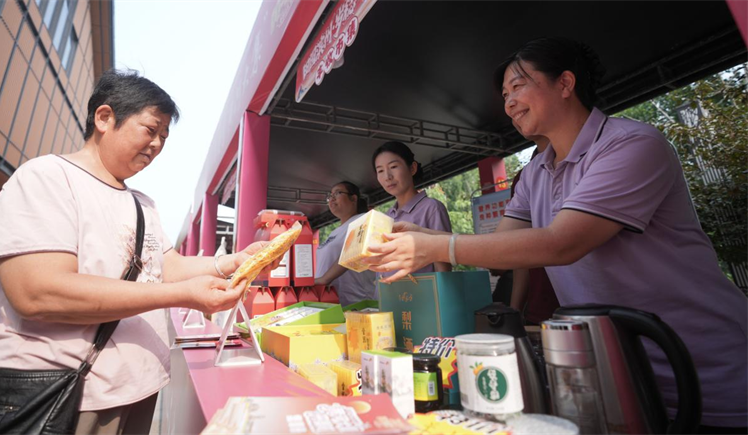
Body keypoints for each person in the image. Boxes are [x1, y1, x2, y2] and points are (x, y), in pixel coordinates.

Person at [365, 38, 748, 432]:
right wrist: (426, 237)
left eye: (518, 86)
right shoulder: (535, 173)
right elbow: (501, 253)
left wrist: (437, 245)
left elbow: (563, 242)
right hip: (615, 377)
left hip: (705, 373)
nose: (509, 103)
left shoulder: (630, 144)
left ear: (565, 83)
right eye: (504, 95)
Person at [0, 70, 274, 435]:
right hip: (62, 394)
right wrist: (182, 295)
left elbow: (166, 266)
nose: (157, 145)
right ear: (104, 118)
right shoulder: (46, 177)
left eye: (164, 136)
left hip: (138, 388)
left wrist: (234, 261)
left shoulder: (141, 203)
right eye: (151, 129)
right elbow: (36, 292)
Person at [372, 141, 452, 278]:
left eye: (393, 166)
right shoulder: (386, 217)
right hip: (389, 290)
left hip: (423, 291)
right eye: (380, 171)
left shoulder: (431, 208)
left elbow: (443, 264)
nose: (387, 176)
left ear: (412, 168)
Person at [507, 132, 560, 325]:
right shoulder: (527, 175)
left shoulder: (616, 145)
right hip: (542, 306)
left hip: (617, 314)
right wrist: (515, 309)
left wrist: (445, 246)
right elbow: (517, 248)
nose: (513, 118)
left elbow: (563, 242)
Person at [314, 181, 377, 305]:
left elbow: (353, 251)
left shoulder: (363, 219)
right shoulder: (334, 232)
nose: (332, 199)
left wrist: (324, 279)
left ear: (353, 198)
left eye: (337, 193)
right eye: (330, 196)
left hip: (355, 303)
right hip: (330, 300)